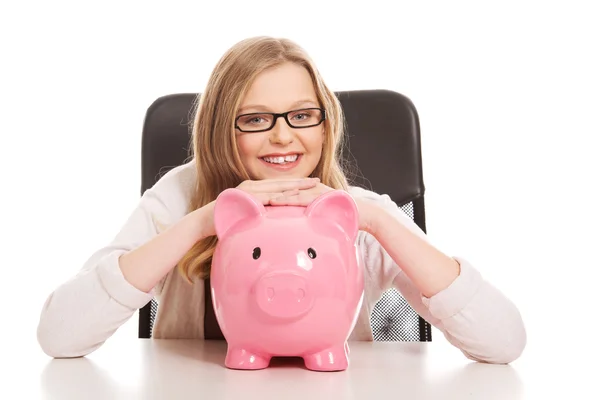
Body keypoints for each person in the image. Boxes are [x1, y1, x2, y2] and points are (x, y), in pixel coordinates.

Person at [36, 36, 526, 364]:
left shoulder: (358, 211)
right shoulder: (182, 196)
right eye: (255, 119)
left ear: (325, 123)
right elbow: (59, 336)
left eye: (301, 115)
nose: (282, 137)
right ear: (219, 129)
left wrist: (379, 221)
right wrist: (198, 223)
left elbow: (503, 342)